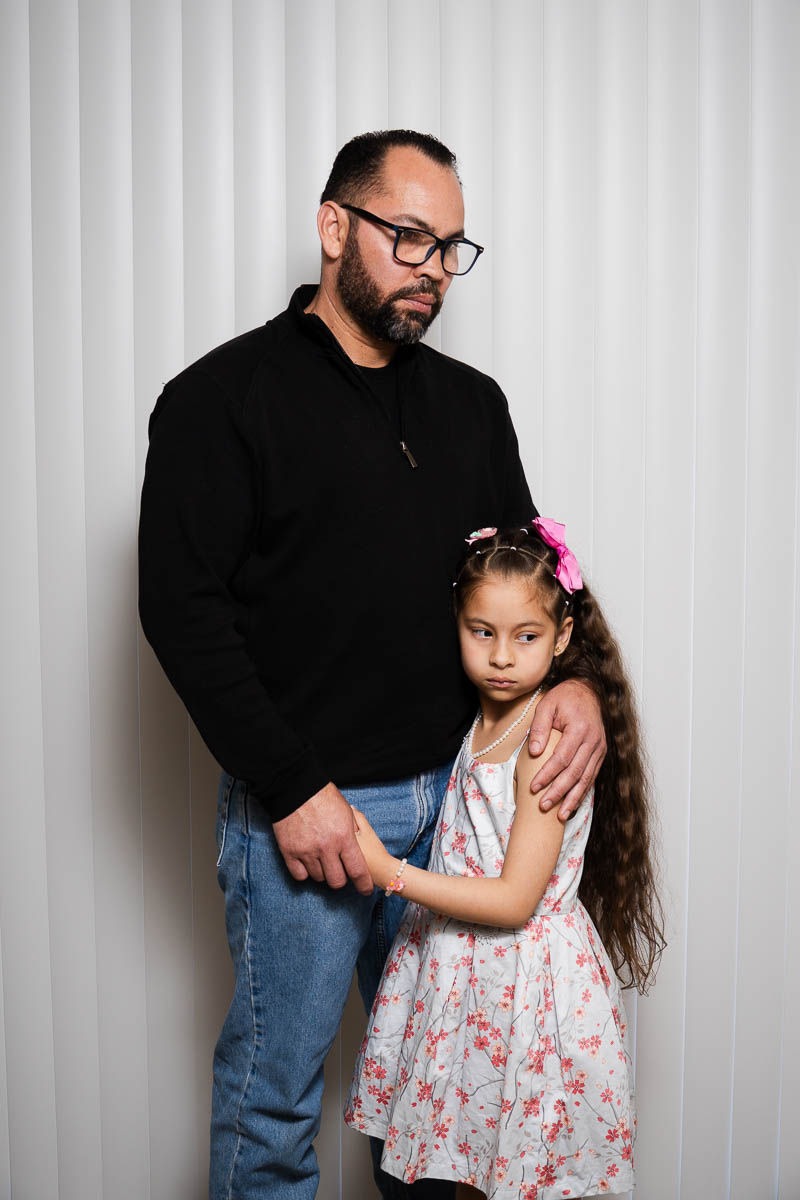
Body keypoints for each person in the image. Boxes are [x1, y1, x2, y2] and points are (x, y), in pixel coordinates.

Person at [138, 130, 607, 1199]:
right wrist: (294, 789)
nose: (432, 269)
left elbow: (529, 573)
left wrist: (577, 681)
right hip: (300, 817)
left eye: (449, 246)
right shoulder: (219, 402)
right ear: (332, 226)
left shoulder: (470, 402)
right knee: (272, 1107)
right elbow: (181, 613)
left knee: (438, 1102)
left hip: (462, 813)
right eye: (407, 237)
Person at [345, 521, 665, 1199]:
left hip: (526, 991)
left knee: (519, 1178)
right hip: (470, 984)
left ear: (564, 636)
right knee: (472, 1169)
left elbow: (517, 898)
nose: (500, 656)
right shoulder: (486, 714)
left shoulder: (545, 734)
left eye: (526, 636)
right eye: (481, 631)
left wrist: (389, 873)